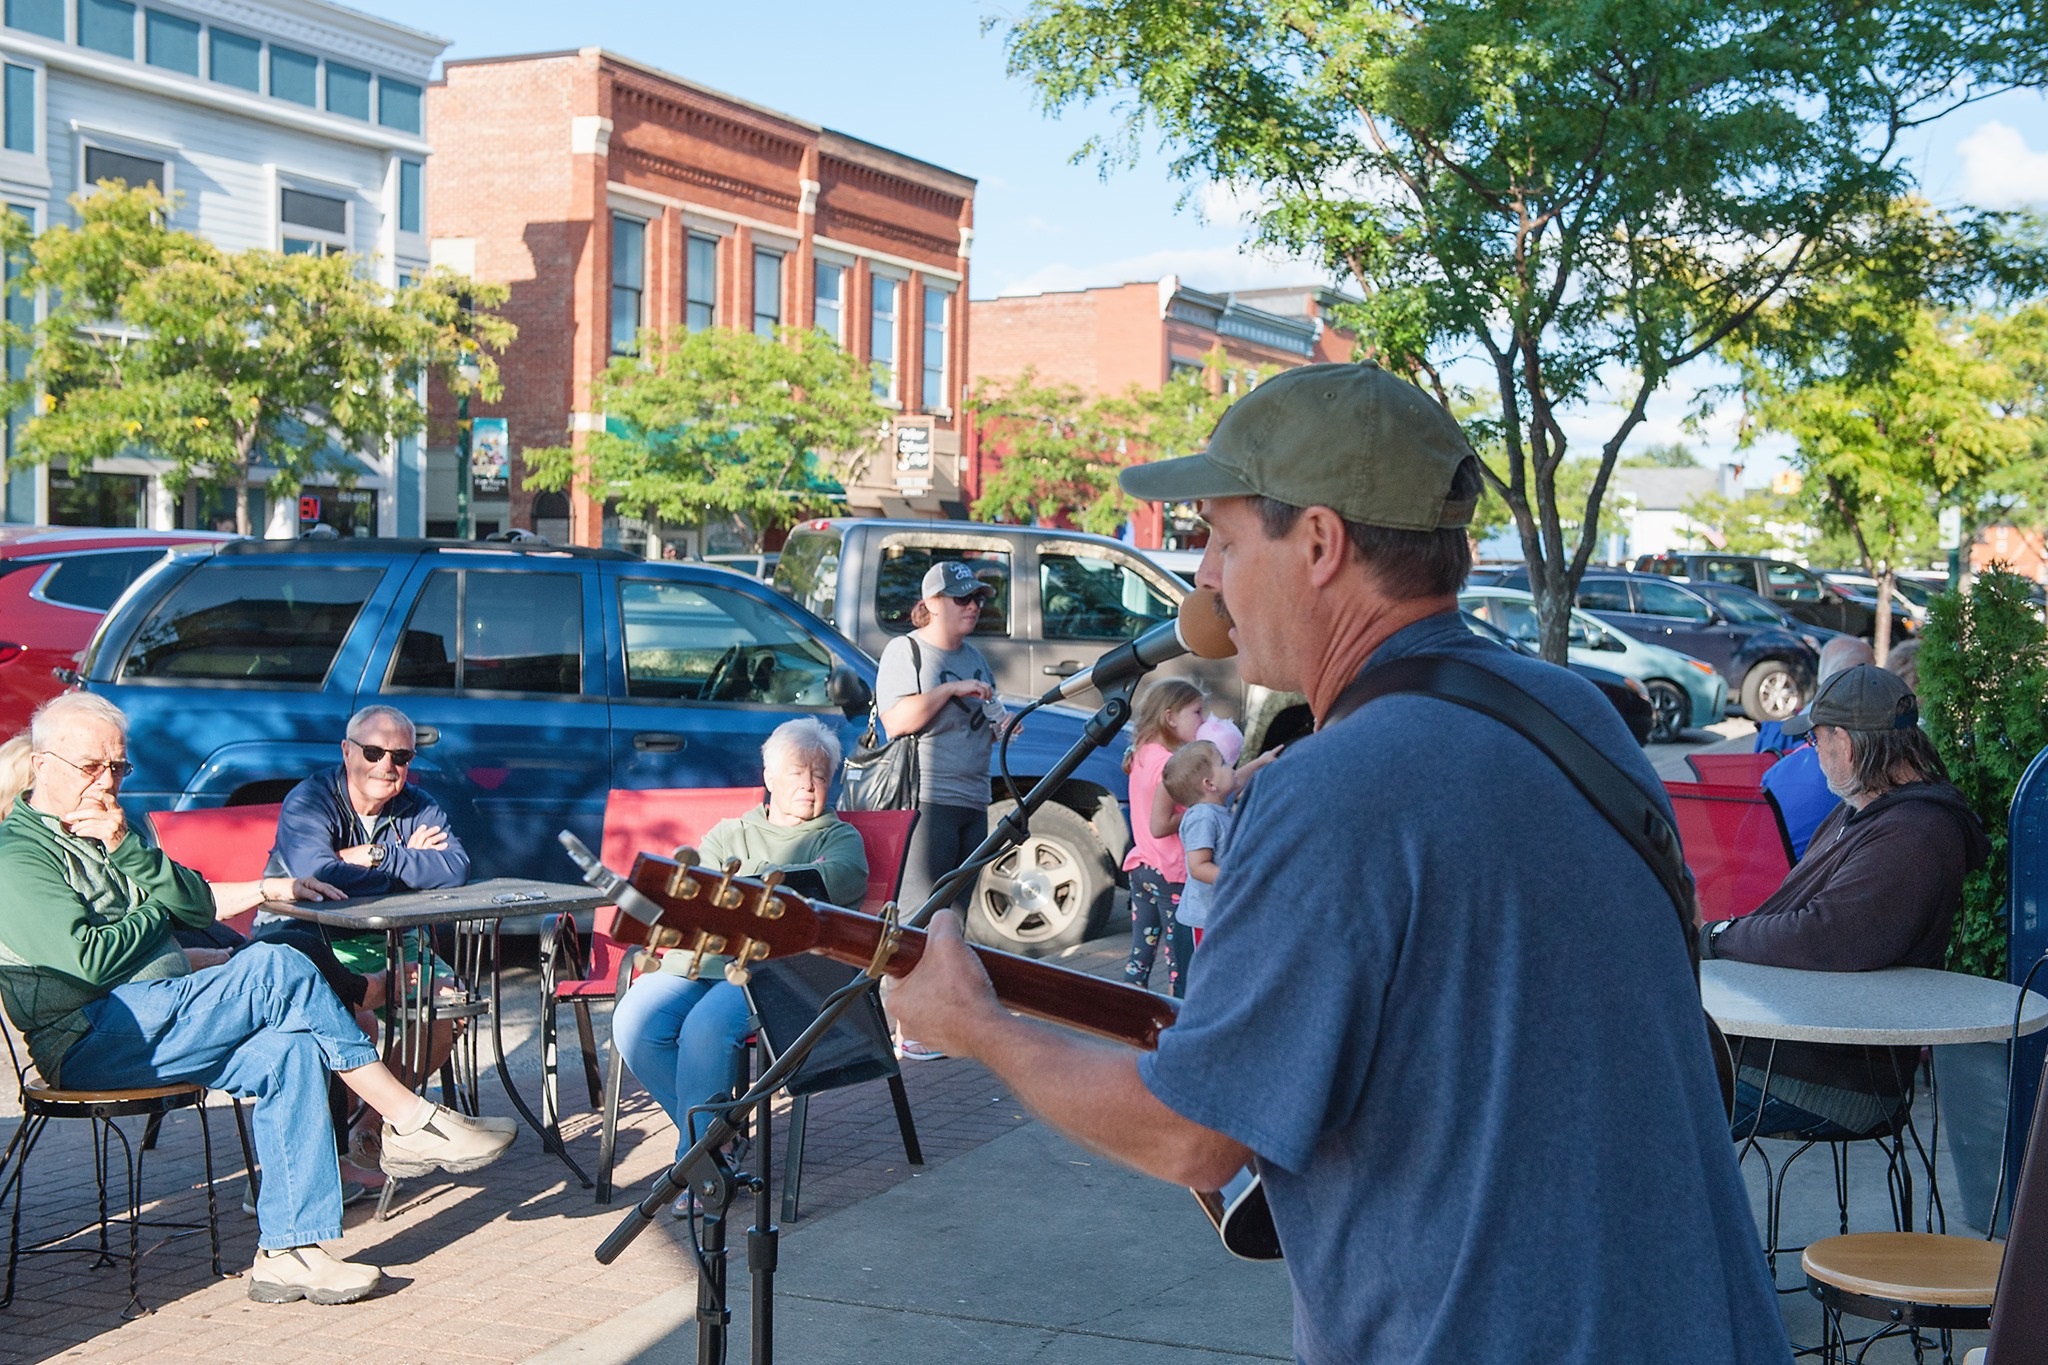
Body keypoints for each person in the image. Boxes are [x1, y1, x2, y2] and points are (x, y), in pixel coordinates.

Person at [883, 361, 1787, 1363]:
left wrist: (978, 1028)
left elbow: (1193, 1135)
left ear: (1318, 542)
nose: (1206, 581)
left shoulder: (1329, 786)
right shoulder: (1572, 712)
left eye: (1222, 541)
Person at [0, 693, 514, 1306]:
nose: (106, 782)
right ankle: (406, 1120)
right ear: (42, 764)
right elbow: (89, 960)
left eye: (118, 767)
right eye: (91, 767)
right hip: (90, 1038)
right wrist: (157, 913)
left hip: (161, 1013)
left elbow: (194, 904)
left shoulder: (114, 828)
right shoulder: (16, 855)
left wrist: (134, 857)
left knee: (288, 1048)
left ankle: (290, 1252)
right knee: (275, 961)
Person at [1705, 665, 1988, 1139]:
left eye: (1815, 741)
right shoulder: (1866, 811)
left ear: (1848, 743)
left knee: (1647, 1110)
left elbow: (1824, 935)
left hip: (1832, 1077)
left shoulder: (1913, 832)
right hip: (1796, 1047)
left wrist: (1719, 936)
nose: (1812, 753)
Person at [612, 719, 866, 1173]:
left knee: (704, 1029)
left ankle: (697, 1168)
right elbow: (698, 894)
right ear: (769, 778)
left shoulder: (838, 837)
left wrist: (753, 879)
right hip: (700, 960)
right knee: (634, 1022)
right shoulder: (729, 832)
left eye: (821, 775)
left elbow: (831, 882)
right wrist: (770, 878)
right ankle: (719, 1142)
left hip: (775, 968)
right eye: (796, 772)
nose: (809, 785)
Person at [266, 704, 488, 1166]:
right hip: (310, 935)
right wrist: (409, 864)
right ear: (346, 751)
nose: (387, 766)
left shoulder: (419, 805)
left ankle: (371, 1134)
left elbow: (455, 870)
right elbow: (318, 874)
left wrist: (375, 855)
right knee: (353, 1023)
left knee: (444, 1005)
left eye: (401, 757)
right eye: (373, 751)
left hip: (391, 936)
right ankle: (312, 1158)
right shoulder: (309, 799)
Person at [875, 561, 1007, 1060]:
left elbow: (988, 718)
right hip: (925, 797)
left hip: (972, 797)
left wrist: (1004, 726)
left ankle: (943, 1019)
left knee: (953, 917)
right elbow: (896, 721)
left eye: (977, 599)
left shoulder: (975, 656)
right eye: (962, 598)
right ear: (931, 604)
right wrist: (950, 689)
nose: (972, 606)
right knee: (917, 918)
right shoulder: (905, 651)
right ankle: (908, 1027)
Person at [1123, 679, 1205, 994]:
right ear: (1170, 717)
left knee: (1139, 956)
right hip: (1171, 872)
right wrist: (1200, 806)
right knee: (1179, 960)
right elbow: (1163, 822)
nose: (1204, 721)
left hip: (1142, 866)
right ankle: (1175, 1021)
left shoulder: (1142, 752)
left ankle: (1126, 1013)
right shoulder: (1170, 766)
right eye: (1197, 712)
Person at [1159, 739, 1280, 952]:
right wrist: (1238, 878)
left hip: (1216, 916)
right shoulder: (1203, 817)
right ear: (1209, 785)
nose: (1231, 766)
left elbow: (1237, 779)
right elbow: (1198, 867)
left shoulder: (1216, 806)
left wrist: (1261, 761)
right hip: (1201, 922)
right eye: (1223, 763)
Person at [1760, 637, 1876, 858]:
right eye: (1812, 738)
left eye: (1814, 738)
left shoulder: (1776, 772)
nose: (1811, 745)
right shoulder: (1865, 784)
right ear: (1843, 740)